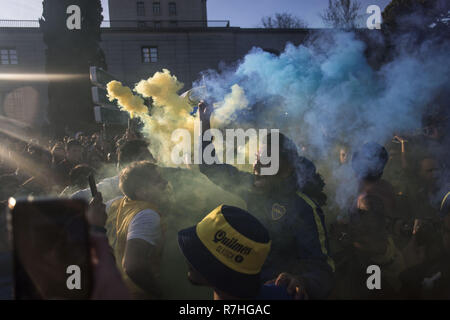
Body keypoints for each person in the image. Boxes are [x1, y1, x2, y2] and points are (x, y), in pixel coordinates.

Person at [198, 102, 334, 299]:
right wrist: (204, 123)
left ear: (287, 168)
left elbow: (324, 270)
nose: (257, 166)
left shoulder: (303, 207)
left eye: (268, 159)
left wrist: (301, 281)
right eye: (257, 158)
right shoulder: (253, 187)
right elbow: (209, 166)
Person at [178, 204, 297, 299]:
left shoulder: (294, 291)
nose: (188, 258)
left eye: (199, 253)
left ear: (221, 269)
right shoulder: (285, 292)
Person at [105, 161, 170, 299]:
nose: (165, 183)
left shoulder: (116, 203)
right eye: (158, 181)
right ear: (141, 192)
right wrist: (159, 294)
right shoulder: (147, 214)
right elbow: (133, 266)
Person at [71, 139, 155, 201]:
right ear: (132, 163)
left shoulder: (159, 180)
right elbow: (79, 196)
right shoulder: (115, 184)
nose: (153, 161)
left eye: (151, 156)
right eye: (147, 158)